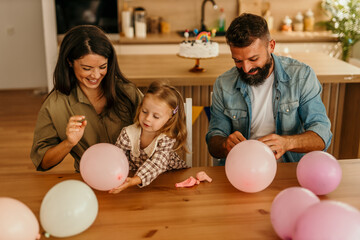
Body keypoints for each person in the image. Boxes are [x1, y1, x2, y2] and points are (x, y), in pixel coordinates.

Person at [206, 13, 332, 165]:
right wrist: (225, 144)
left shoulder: (301, 76)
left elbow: (322, 136)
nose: (246, 68)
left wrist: (287, 143)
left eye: (253, 59)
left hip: (287, 167)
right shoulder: (223, 83)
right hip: (241, 167)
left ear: (271, 46)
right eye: (238, 61)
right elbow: (214, 140)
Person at [30, 25, 143, 171]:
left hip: (135, 178)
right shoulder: (55, 105)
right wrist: (69, 143)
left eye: (102, 66)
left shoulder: (128, 92)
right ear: (70, 62)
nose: (95, 75)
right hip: (90, 180)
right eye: (87, 68)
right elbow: (42, 162)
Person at [109, 81, 188, 194]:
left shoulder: (167, 138)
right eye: (144, 111)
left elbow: (156, 164)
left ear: (170, 118)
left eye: (156, 116)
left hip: (170, 180)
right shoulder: (128, 133)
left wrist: (134, 180)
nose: (147, 119)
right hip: (139, 183)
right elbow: (117, 159)